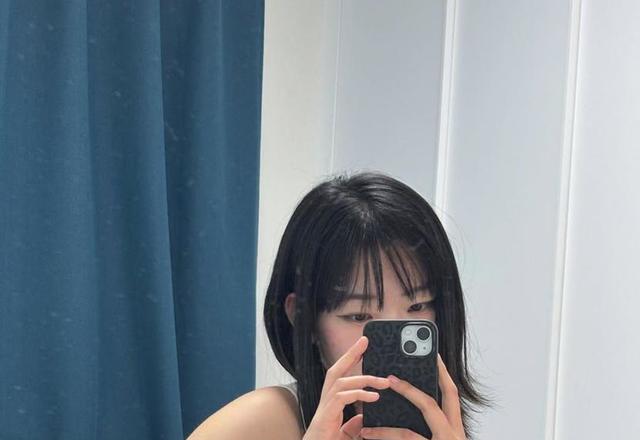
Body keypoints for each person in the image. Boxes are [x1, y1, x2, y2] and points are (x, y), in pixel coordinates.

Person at [188, 171, 491, 439]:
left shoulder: (445, 427)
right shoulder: (263, 419)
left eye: (417, 307)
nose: (391, 336)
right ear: (303, 319)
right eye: (359, 315)